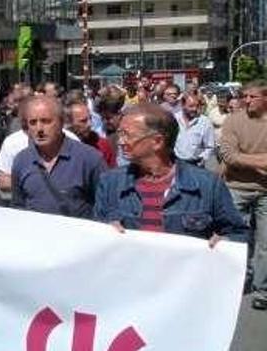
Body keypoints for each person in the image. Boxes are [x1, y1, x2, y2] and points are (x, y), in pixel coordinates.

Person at [96, 103, 247, 248]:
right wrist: (104, 232)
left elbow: (238, 233)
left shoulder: (206, 185)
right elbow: (94, 234)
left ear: (157, 142)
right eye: (120, 134)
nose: (120, 142)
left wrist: (225, 241)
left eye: (127, 135)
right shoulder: (110, 183)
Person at [11, 96, 105, 218]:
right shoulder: (21, 161)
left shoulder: (89, 159)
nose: (39, 129)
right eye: (33, 123)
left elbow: (107, 205)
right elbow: (18, 207)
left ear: (61, 123)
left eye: (46, 121)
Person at [220, 81, 267, 310]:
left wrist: (244, 159)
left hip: (265, 191)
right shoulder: (234, 120)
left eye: (252, 97)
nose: (246, 100)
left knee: (265, 243)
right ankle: (236, 281)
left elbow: (238, 157)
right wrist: (262, 161)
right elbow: (229, 155)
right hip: (237, 187)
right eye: (244, 96)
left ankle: (262, 289)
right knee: (236, 240)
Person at [67, 101, 116, 168]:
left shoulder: (102, 145)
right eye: (83, 121)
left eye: (90, 118)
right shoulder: (60, 148)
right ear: (69, 123)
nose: (90, 124)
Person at [174, 91, 215, 167]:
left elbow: (210, 146)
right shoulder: (174, 119)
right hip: (177, 163)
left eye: (197, 106)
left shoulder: (205, 122)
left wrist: (203, 158)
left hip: (196, 164)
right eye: (191, 106)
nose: (195, 109)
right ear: (183, 105)